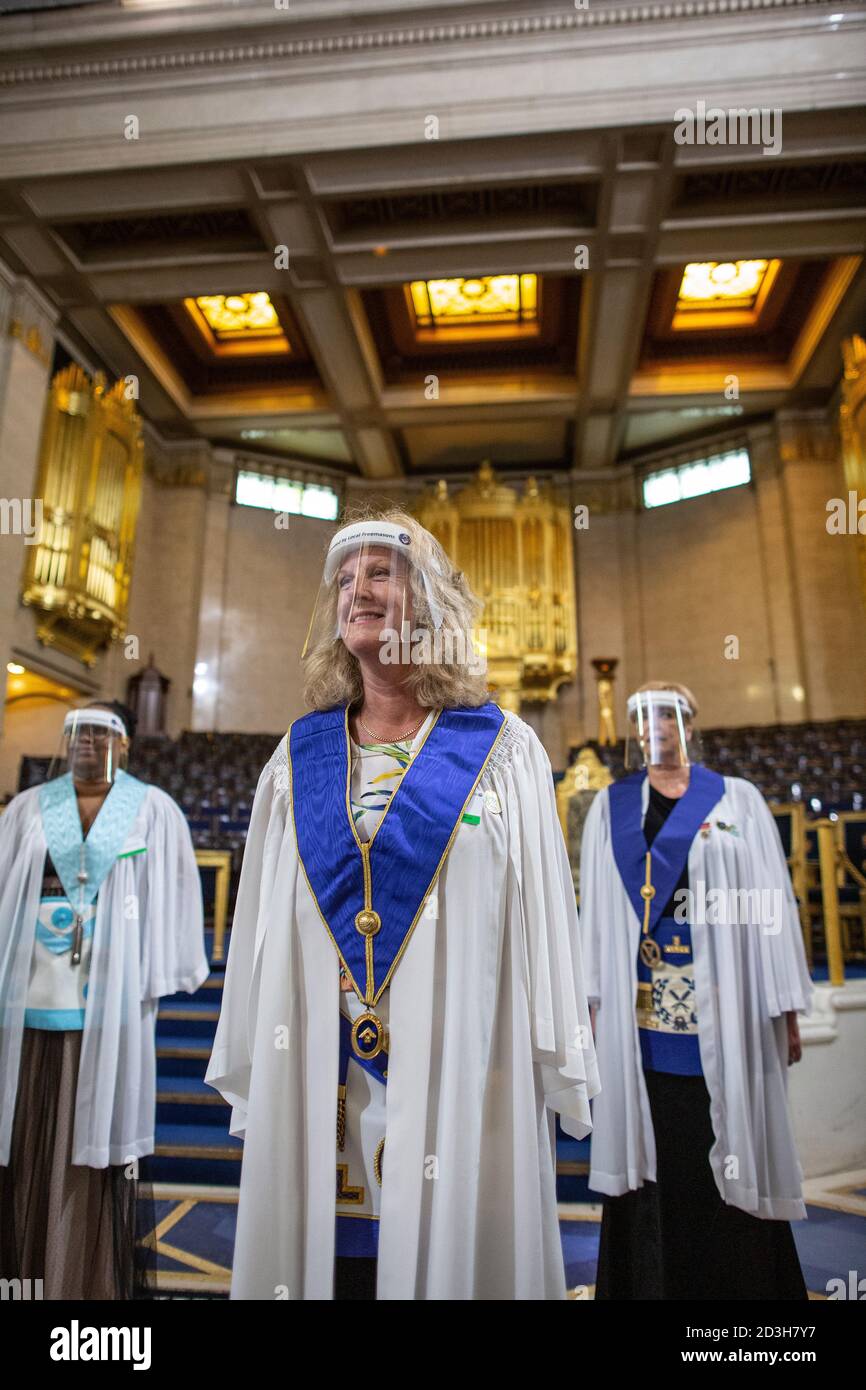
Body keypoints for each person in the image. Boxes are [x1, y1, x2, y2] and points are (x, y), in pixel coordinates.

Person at [206, 508, 599, 1300]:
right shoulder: (297, 759)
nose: (359, 591)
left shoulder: (505, 752)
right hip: (321, 1073)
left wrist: (550, 1046)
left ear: (433, 605)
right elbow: (257, 930)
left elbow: (544, 925)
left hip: (460, 1078)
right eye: (346, 579)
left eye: (381, 573)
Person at [579, 681, 812, 1300]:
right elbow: (597, 917)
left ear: (690, 721)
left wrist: (785, 1007)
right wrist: (594, 1005)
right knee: (657, 1157)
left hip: (730, 1010)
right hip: (643, 1025)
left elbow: (773, 911)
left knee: (732, 1145)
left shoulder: (738, 801)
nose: (656, 727)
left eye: (668, 715)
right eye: (645, 718)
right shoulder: (611, 807)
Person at [0, 700, 208, 1298]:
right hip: (30, 995)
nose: (86, 742)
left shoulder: (152, 811)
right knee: (27, 1127)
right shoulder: (27, 810)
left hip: (109, 999)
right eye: (76, 733)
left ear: (127, 745)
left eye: (100, 732)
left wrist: (158, 969)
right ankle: (21, 1273)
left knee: (88, 1137)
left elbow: (172, 897)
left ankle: (79, 1279)